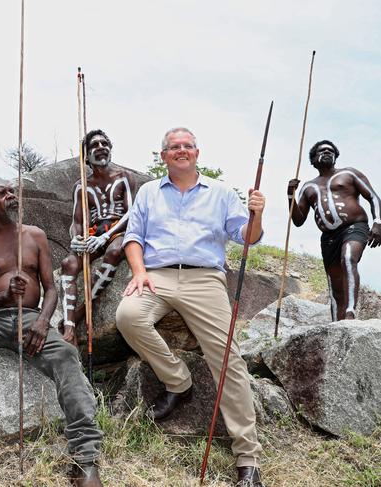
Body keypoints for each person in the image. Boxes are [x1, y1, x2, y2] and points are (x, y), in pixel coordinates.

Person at [115, 128, 265, 486]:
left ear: (197, 152)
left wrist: (256, 214)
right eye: (173, 147)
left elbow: (248, 238)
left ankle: (248, 457)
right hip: (157, 275)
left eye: (187, 146)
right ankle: (178, 381)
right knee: (127, 315)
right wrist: (138, 272)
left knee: (228, 358)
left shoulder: (222, 192)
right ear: (163, 155)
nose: (181, 151)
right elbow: (133, 236)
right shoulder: (149, 191)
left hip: (205, 279)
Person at [0, 177, 103, 487]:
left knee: (67, 354)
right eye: (2, 194)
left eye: (12, 191)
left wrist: (43, 321)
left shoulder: (35, 236)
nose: (11, 196)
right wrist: (1, 297)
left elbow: (51, 288)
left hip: (31, 317)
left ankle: (85, 457)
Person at [287, 140, 380, 320]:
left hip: (354, 227)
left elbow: (373, 197)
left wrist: (378, 221)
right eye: (322, 151)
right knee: (335, 283)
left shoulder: (349, 174)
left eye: (331, 151)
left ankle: (350, 312)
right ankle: (337, 322)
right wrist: (290, 194)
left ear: (336, 157)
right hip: (329, 237)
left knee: (348, 258)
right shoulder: (307, 187)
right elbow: (298, 220)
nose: (327, 152)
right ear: (313, 160)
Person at [59, 129, 136, 346]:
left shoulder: (124, 177)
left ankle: (81, 311)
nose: (101, 147)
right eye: (94, 145)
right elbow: (77, 221)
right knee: (68, 263)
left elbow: (131, 213)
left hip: (119, 230)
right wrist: (75, 239)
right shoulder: (81, 185)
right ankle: (69, 328)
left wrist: (107, 236)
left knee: (114, 251)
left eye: (104, 143)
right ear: (86, 155)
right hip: (93, 233)